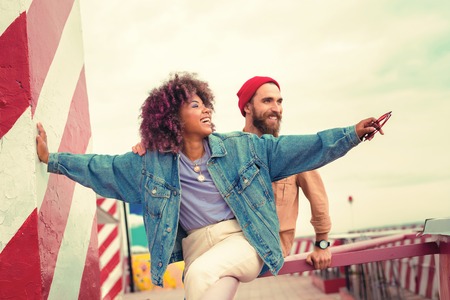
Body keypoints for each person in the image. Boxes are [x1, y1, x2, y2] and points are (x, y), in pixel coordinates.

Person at [36, 72, 381, 300]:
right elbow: (101, 168)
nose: (206, 110)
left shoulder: (242, 147)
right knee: (205, 284)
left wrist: (351, 133)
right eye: (195, 105)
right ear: (172, 119)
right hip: (198, 247)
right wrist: (52, 159)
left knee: (199, 275)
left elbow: (309, 146)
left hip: (245, 241)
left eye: (206, 104)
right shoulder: (152, 165)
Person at [237, 76, 332, 268]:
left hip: (271, 249)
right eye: (267, 101)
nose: (276, 108)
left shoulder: (292, 152)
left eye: (279, 101)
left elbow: (318, 198)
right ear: (247, 107)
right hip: (233, 244)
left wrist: (322, 245)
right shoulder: (231, 152)